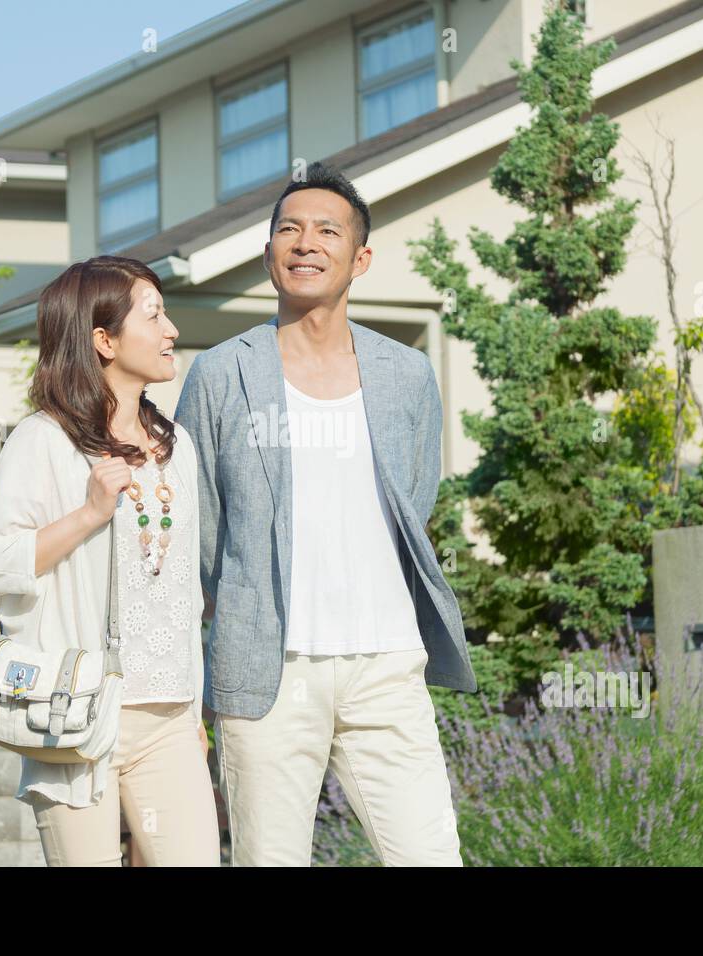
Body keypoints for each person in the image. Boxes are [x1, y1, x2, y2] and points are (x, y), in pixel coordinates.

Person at [174, 163, 478, 866]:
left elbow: (414, 496)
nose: (304, 242)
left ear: (360, 257)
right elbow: (201, 525)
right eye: (289, 229)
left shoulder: (405, 373)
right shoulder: (222, 373)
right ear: (268, 253)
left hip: (387, 666)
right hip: (268, 671)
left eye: (326, 230)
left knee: (430, 856)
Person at [0, 257, 220, 867]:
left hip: (168, 715)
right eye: (154, 315)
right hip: (80, 714)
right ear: (103, 340)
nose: (171, 332)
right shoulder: (43, 439)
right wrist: (87, 513)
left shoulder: (176, 445)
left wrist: (193, 706)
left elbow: (183, 589)